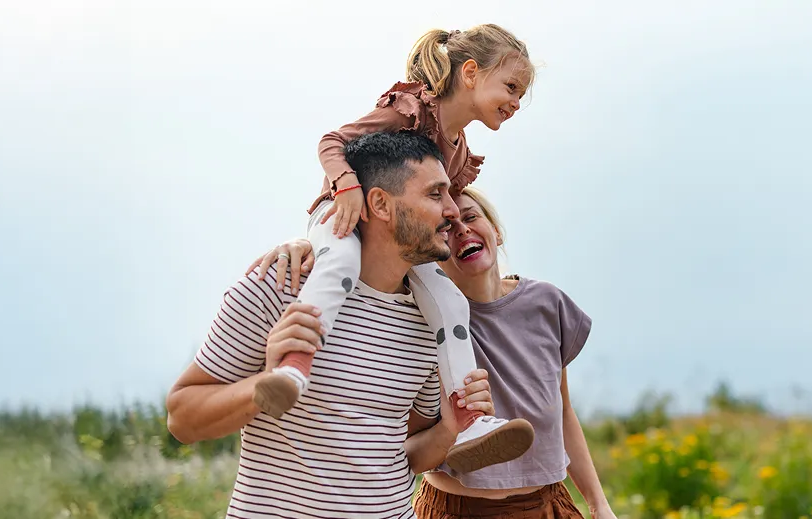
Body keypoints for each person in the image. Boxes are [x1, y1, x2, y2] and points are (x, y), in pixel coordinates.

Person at [250, 24, 537, 472]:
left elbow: (443, 210)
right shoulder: (411, 111)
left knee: (449, 301)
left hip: (396, 241)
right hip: (344, 215)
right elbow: (332, 142)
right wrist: (346, 187)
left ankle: (470, 418)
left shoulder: (458, 152)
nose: (517, 102)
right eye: (512, 86)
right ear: (470, 73)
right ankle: (293, 366)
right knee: (339, 266)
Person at [167, 131, 492, 519]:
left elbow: (404, 452)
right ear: (380, 204)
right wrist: (264, 383)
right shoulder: (281, 287)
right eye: (435, 194)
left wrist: (449, 429)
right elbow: (182, 418)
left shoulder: (432, 318)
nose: (453, 210)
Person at [254, 187, 616, 519]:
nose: (461, 230)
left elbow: (564, 412)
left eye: (471, 218)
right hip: (456, 508)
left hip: (548, 504)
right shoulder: (421, 321)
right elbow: (407, 441)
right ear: (432, 253)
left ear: (497, 231)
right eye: (446, 227)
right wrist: (307, 244)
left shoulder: (547, 303)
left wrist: (599, 504)